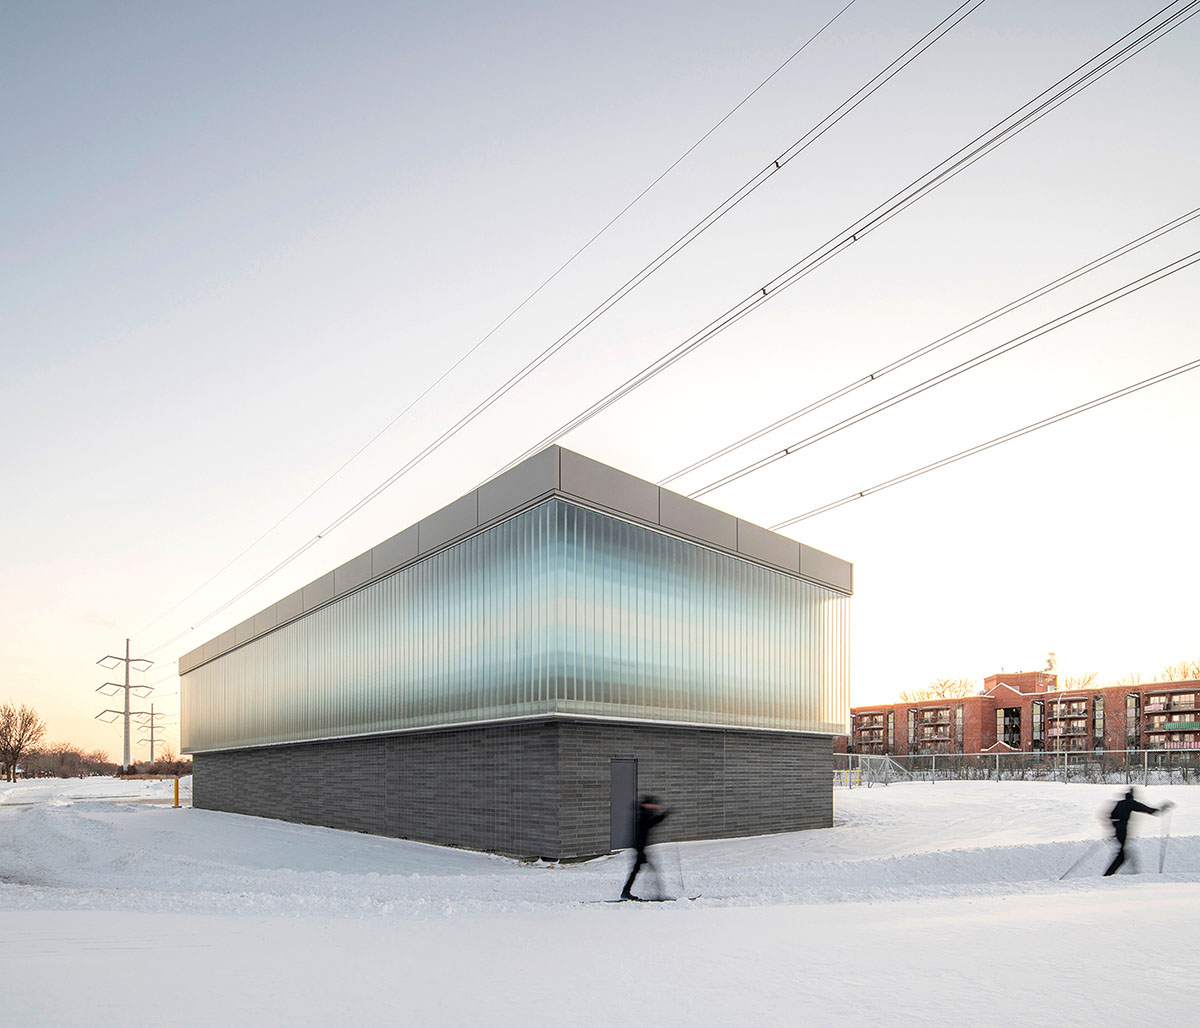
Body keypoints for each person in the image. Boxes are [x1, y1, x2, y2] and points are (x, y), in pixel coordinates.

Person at [1104, 787, 1173, 876]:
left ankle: (1114, 873)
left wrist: (1114, 828)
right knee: (1122, 855)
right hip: (1122, 830)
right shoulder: (1131, 803)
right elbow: (1149, 810)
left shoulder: (1119, 803)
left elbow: (1110, 816)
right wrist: (1163, 809)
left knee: (1122, 854)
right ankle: (1111, 874)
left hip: (1118, 830)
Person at [621, 795, 669, 899]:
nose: (654, 807)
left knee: (639, 870)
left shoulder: (644, 813)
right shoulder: (642, 814)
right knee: (647, 869)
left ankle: (626, 892)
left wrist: (662, 816)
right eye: (652, 804)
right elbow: (649, 823)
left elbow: (651, 822)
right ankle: (657, 893)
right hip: (640, 848)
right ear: (647, 805)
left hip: (641, 848)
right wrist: (663, 815)